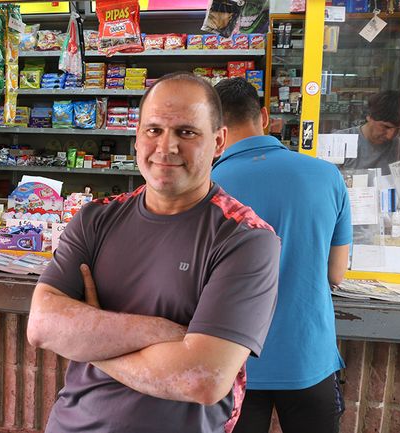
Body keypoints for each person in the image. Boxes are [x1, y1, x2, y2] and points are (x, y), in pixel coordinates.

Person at [26, 72, 281, 433]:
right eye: (154, 130)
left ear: (219, 141)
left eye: (186, 132)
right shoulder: (95, 218)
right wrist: (164, 332)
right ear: (137, 137)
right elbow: (42, 326)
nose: (166, 146)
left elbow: (203, 380)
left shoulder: (246, 239)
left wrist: (90, 339)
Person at [211, 78, 352, 433]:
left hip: (232, 361)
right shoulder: (328, 176)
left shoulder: (205, 186)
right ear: (264, 116)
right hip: (309, 358)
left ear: (214, 129)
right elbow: (336, 273)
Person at [335, 90, 400, 175]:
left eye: (398, 129)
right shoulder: (339, 142)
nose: (390, 136)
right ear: (369, 116)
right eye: (386, 127)